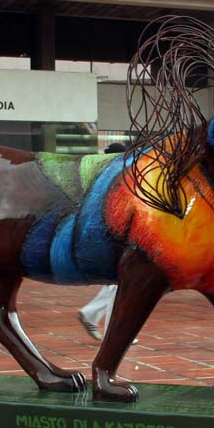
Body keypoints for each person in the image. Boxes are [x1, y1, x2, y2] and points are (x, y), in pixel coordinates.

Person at [77, 142, 137, 343]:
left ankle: (92, 314)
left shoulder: (101, 174)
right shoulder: (117, 176)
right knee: (119, 284)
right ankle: (114, 332)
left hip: (102, 235)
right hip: (111, 236)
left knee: (116, 283)